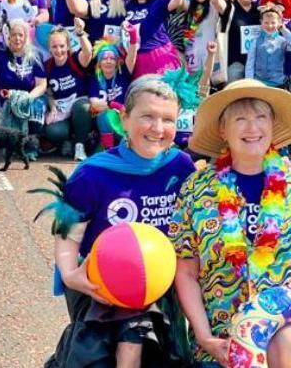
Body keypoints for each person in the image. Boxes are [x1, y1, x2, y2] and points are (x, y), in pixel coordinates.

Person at [171, 78, 291, 367]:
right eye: (240, 119)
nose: (252, 128)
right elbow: (186, 271)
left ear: (273, 124)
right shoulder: (196, 188)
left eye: (261, 117)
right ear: (222, 129)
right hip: (221, 338)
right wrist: (204, 338)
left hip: (288, 322)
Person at [44, 77, 196, 368]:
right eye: (147, 116)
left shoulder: (181, 166)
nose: (158, 128)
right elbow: (68, 233)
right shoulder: (92, 173)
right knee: (126, 338)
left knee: (161, 351)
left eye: (168, 119)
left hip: (160, 282)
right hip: (98, 280)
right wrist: (69, 273)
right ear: (124, 119)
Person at [0, 4, 47, 156]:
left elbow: (41, 84)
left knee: (36, 107)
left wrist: (27, 97)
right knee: (9, 146)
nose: (17, 38)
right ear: (8, 36)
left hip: (30, 99)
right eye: (13, 35)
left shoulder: (35, 55)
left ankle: (31, 145)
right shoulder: (0, 51)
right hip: (8, 100)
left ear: (26, 37)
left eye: (21, 35)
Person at [41, 20, 93, 161]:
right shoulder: (47, 67)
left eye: (62, 46)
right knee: (53, 131)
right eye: (54, 47)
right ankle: (69, 141)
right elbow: (48, 92)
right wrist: (52, 108)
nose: (59, 50)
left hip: (79, 108)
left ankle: (80, 145)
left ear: (68, 45)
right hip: (62, 110)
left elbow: (88, 53)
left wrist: (80, 34)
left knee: (83, 107)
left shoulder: (75, 60)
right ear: (49, 48)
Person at [123, 0, 184, 78]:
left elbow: (177, 1)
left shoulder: (158, 2)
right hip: (137, 59)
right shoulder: (126, 6)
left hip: (161, 55)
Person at [87, 24, 139, 150]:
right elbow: (95, 105)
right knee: (104, 114)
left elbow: (132, 56)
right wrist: (114, 105)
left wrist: (133, 38)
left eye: (112, 58)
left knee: (128, 146)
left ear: (117, 62)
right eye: (104, 58)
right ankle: (108, 149)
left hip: (124, 119)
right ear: (99, 63)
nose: (109, 61)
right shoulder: (95, 80)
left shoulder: (123, 74)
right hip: (106, 122)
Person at [213, 0, 261, 83]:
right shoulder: (230, 8)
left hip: (256, 66)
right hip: (234, 65)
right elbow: (215, 0)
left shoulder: (260, 11)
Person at [244, 3, 291, 92]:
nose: (270, 26)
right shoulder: (255, 42)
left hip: (278, 84)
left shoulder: (283, 41)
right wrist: (249, 83)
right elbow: (250, 64)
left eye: (273, 22)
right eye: (266, 22)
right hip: (259, 83)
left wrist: (283, 29)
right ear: (261, 22)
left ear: (279, 22)